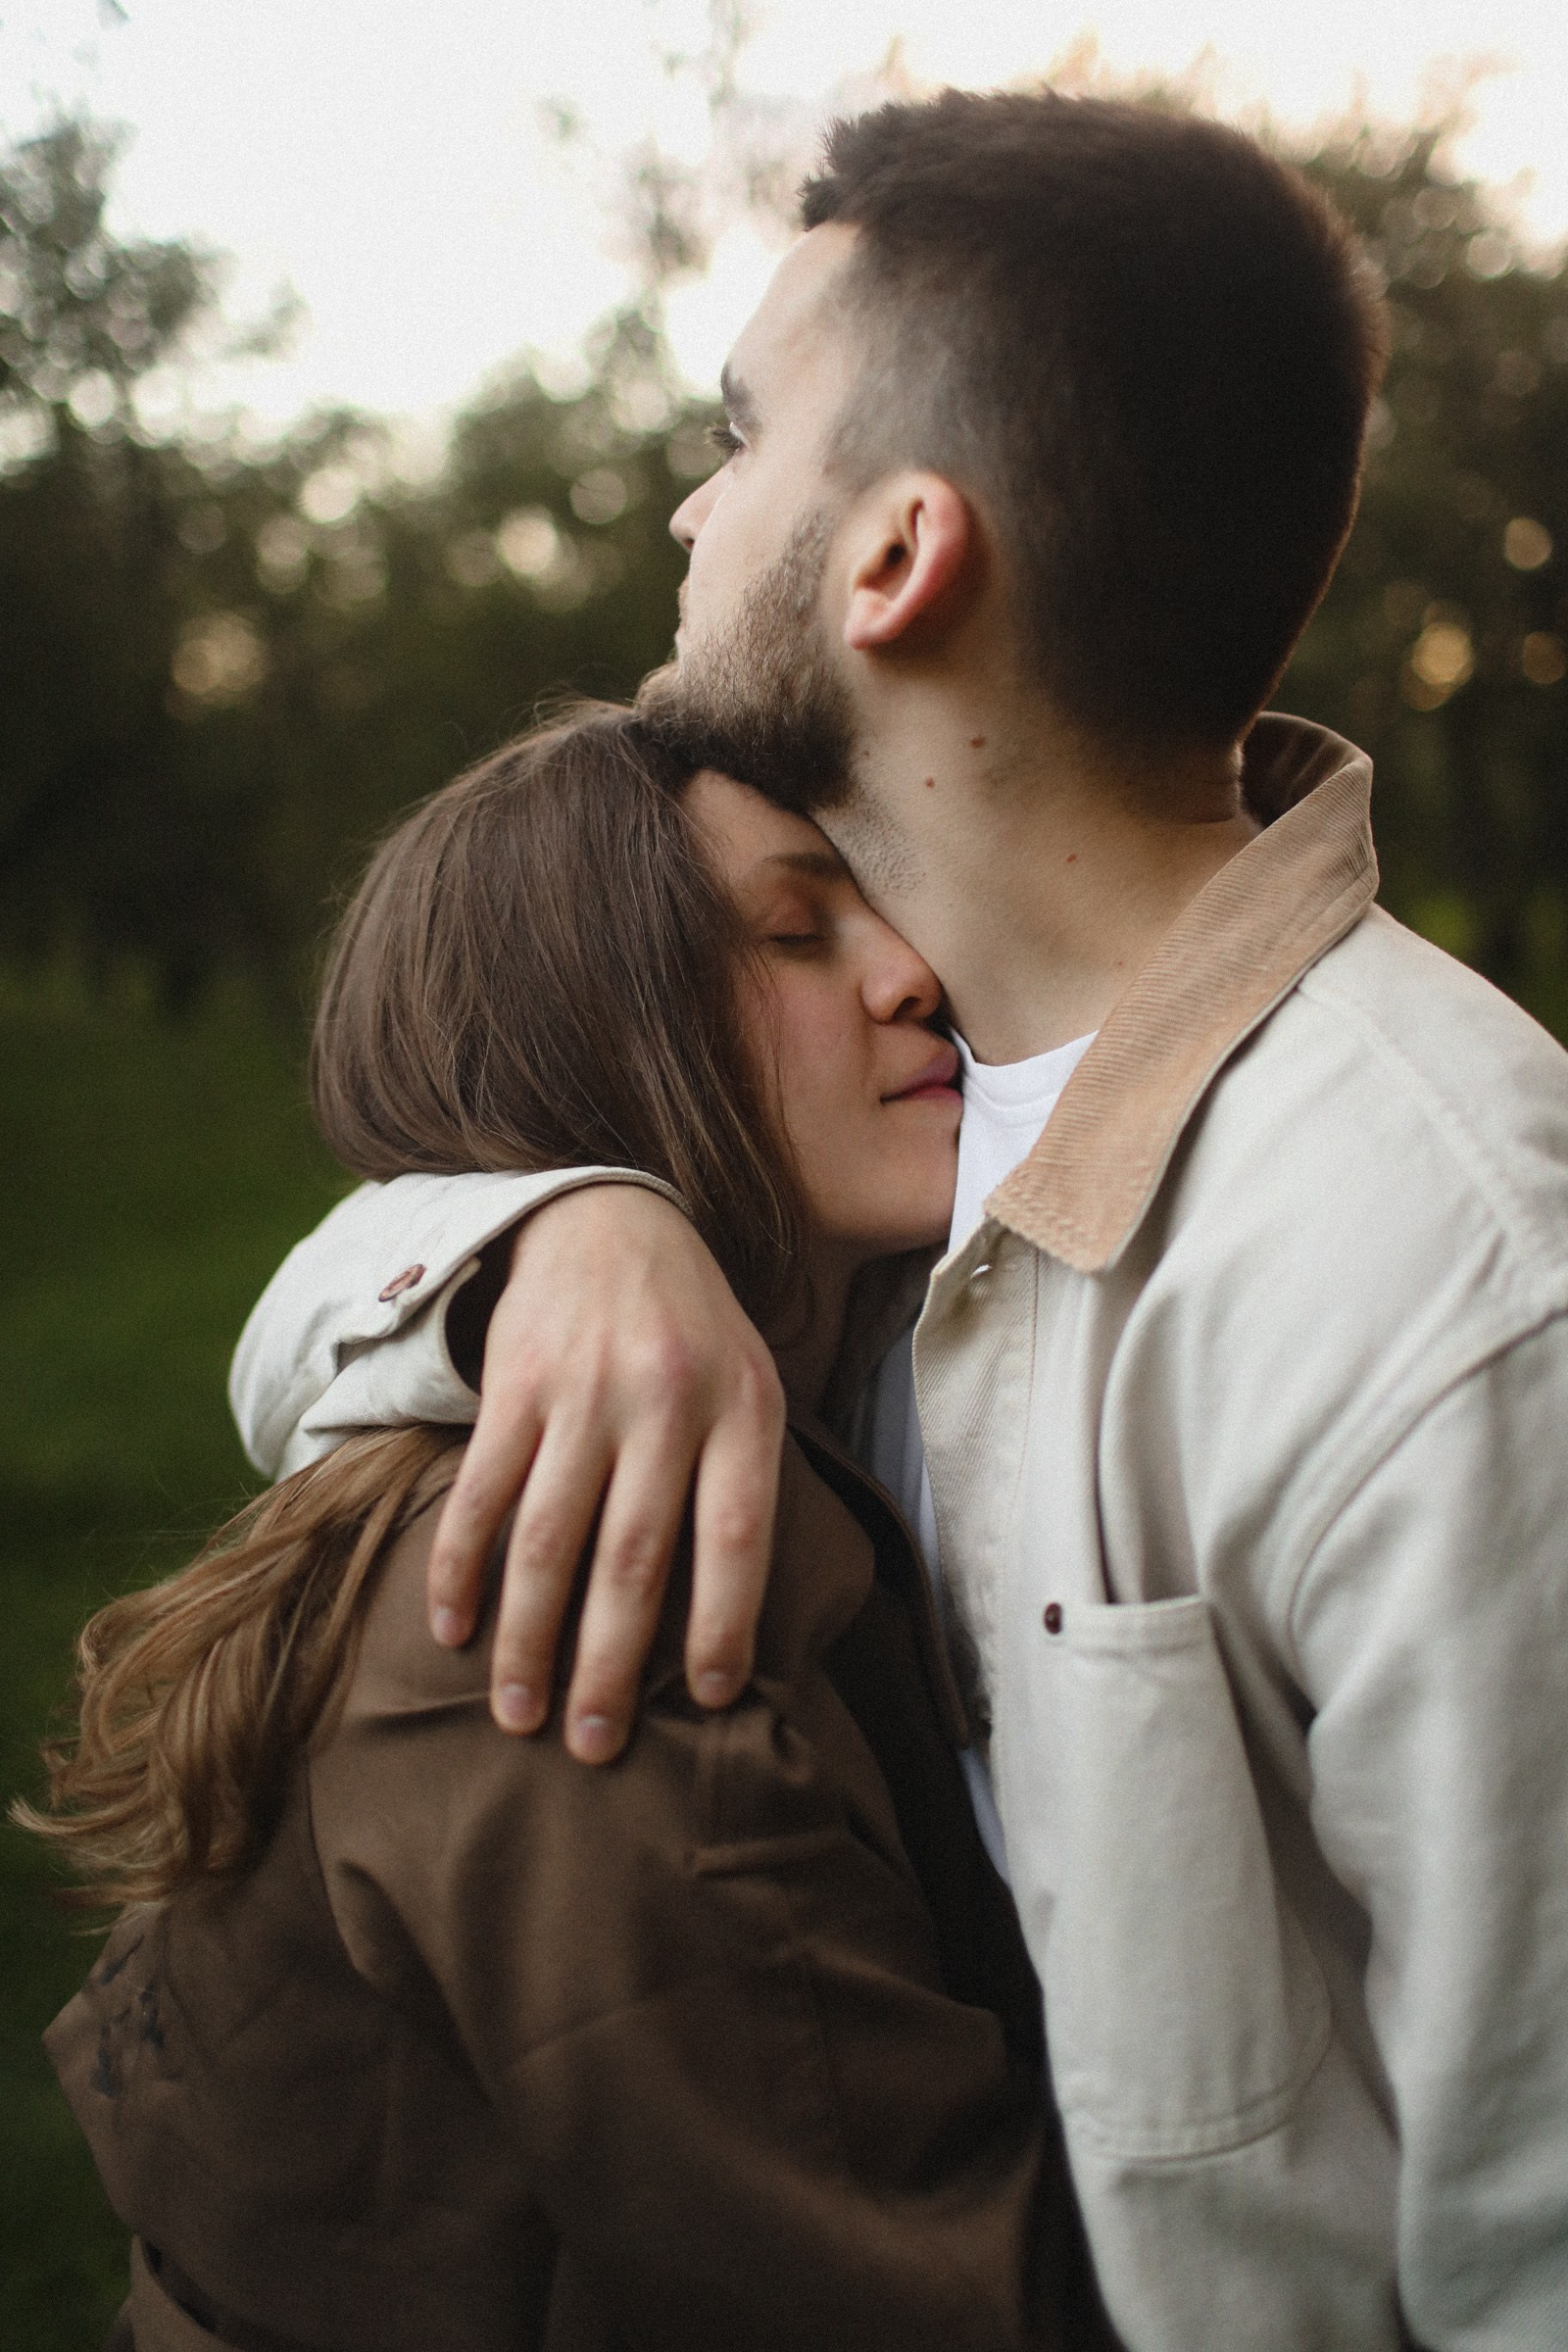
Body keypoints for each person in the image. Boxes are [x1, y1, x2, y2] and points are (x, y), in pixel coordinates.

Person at [230, 91, 1568, 2351]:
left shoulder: (1443, 1270)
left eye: (738, 437)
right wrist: (557, 1233)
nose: (689, 506)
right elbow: (324, 1309)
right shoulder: (869, 1156)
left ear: (894, 557)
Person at [28, 710, 1113, 2352]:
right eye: (793, 932)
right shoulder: (594, 1578)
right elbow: (929, 2296)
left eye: (884, 911)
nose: (915, 977)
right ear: (598, 1032)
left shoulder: (823, 1370)